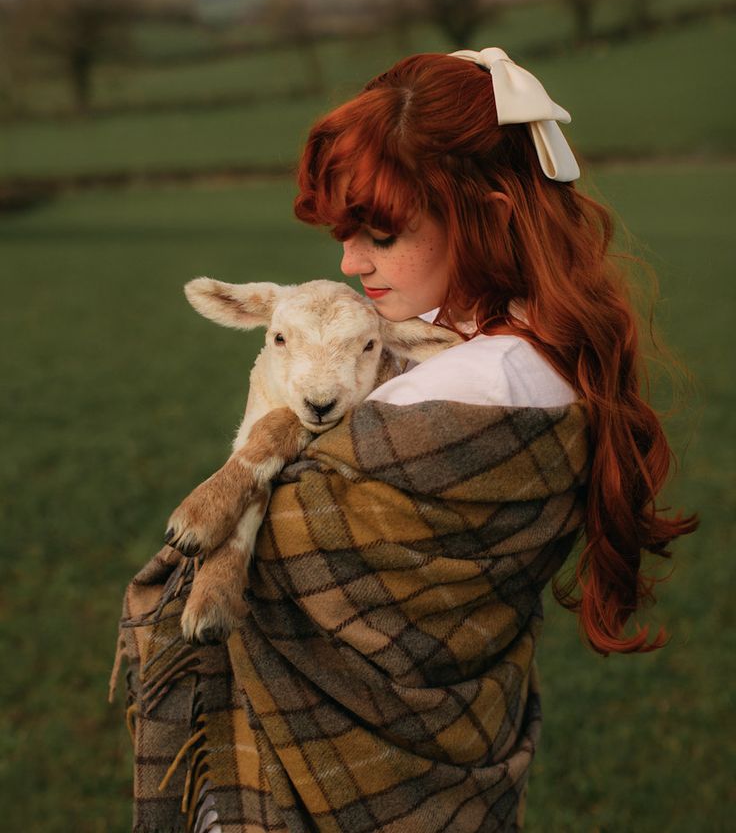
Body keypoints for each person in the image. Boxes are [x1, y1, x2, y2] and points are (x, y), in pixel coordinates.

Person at [113, 47, 697, 832]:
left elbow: (285, 560)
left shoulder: (471, 388)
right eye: (345, 234)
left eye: (381, 236)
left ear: (487, 213)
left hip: (332, 791)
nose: (351, 264)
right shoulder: (523, 346)